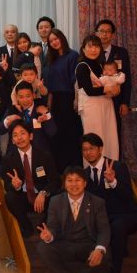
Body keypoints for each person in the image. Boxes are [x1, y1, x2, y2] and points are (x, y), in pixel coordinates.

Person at [81, 133, 137, 273]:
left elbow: (127, 195)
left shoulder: (117, 166)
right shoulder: (85, 174)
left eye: (91, 148)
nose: (88, 152)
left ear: (100, 149)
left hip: (127, 214)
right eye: (85, 149)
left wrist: (113, 181)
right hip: (104, 217)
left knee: (117, 227)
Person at [37, 167, 110, 273]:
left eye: (78, 180)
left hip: (87, 244)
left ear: (85, 183)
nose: (74, 184)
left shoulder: (97, 202)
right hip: (64, 243)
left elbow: (104, 230)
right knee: (42, 247)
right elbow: (53, 226)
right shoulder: (55, 201)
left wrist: (99, 249)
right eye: (69, 180)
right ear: (64, 184)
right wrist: (49, 236)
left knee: (105, 252)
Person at [2, 120, 60, 237]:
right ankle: (26, 226)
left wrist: (44, 192)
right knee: (10, 197)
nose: (19, 138)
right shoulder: (8, 159)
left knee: (58, 196)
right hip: (23, 197)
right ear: (12, 140)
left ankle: (44, 224)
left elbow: (56, 181)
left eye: (23, 133)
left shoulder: (44, 155)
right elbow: (7, 185)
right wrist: (15, 186)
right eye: (15, 135)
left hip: (42, 198)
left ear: (31, 136)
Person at [76, 34, 120, 161]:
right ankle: (93, 170)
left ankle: (109, 168)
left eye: (96, 47)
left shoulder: (101, 65)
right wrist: (108, 89)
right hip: (91, 108)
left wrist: (115, 89)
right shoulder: (82, 66)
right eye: (90, 47)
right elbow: (89, 91)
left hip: (106, 106)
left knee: (109, 138)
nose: (93, 50)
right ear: (83, 49)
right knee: (94, 139)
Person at [43, 28, 82, 170]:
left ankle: (74, 167)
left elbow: (76, 81)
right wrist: (49, 102)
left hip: (69, 98)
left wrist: (76, 100)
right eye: (51, 41)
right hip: (55, 100)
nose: (54, 42)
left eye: (56, 39)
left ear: (62, 38)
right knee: (56, 134)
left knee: (70, 133)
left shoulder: (73, 55)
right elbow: (49, 84)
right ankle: (59, 168)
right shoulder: (50, 59)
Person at [95, 19, 132, 144]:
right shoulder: (91, 52)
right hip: (97, 99)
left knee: (114, 134)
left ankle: (115, 157)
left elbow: (127, 79)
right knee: (97, 133)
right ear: (96, 33)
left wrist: (125, 102)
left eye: (108, 31)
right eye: (101, 31)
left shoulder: (121, 52)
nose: (104, 34)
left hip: (116, 100)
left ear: (112, 35)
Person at [0, 81, 56, 153]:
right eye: (21, 97)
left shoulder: (41, 109)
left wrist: (47, 114)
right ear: (16, 97)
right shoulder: (12, 110)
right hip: (17, 154)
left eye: (28, 96)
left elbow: (52, 132)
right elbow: (0, 130)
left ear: (33, 95)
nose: (25, 100)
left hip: (40, 153)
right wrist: (7, 121)